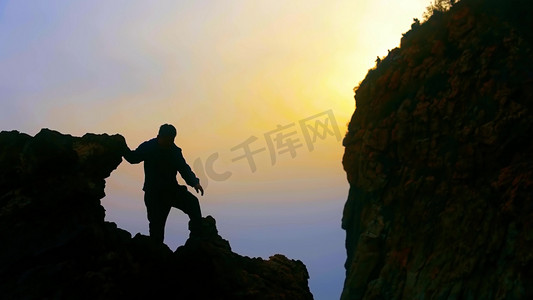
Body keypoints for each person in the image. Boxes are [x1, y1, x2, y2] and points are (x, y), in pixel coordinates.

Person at [122, 124, 204, 243]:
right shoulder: (149, 147)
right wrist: (121, 145)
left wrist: (194, 182)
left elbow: (183, 168)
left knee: (193, 203)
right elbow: (133, 158)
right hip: (154, 195)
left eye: (172, 139)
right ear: (159, 136)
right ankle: (157, 253)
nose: (169, 142)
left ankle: (197, 238)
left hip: (172, 191)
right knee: (156, 229)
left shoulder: (174, 151)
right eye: (167, 139)